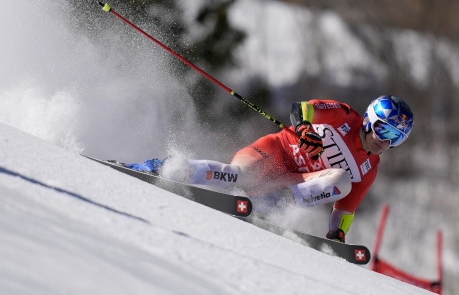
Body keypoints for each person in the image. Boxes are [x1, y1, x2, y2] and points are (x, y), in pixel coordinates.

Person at [128, 95, 414, 243]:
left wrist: (337, 235)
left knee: (342, 180)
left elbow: (345, 209)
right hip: (274, 153)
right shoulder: (344, 116)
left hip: (288, 182)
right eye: (384, 131)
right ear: (368, 120)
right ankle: (165, 167)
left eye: (396, 138)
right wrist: (304, 130)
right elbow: (302, 108)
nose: (386, 142)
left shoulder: (369, 166)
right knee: (236, 175)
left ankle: (272, 205)